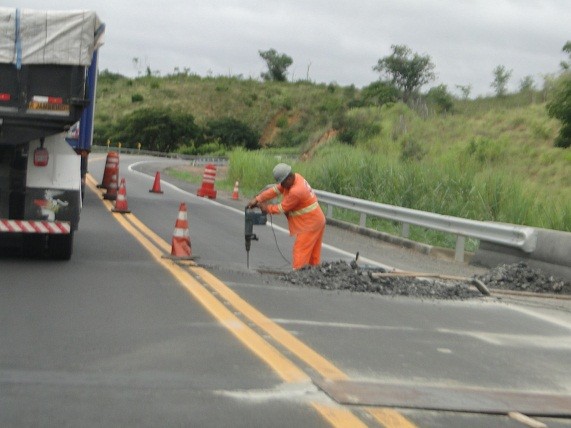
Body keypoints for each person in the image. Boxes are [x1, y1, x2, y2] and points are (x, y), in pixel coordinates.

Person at [247, 163, 326, 270]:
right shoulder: (295, 177)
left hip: (310, 224)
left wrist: (266, 208)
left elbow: (282, 208)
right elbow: (275, 190)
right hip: (317, 220)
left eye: (282, 183)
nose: (282, 185)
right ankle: (314, 275)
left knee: (300, 250)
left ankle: (298, 274)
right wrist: (258, 199)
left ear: (288, 178)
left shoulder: (296, 191)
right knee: (313, 255)